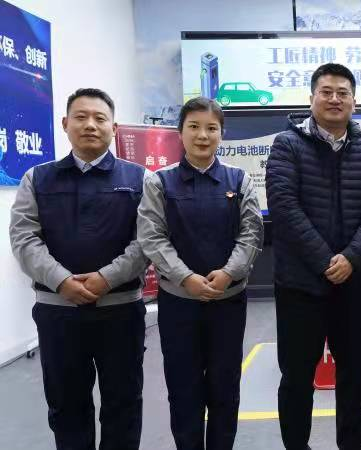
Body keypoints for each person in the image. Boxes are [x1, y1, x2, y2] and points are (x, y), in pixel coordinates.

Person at [9, 88, 148, 449]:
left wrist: (106, 278)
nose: (90, 125)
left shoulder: (140, 179)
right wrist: (61, 281)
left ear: (114, 128)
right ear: (65, 124)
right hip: (59, 314)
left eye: (100, 119)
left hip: (120, 313)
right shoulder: (38, 178)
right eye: (81, 117)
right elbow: (24, 239)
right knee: (67, 406)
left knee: (123, 404)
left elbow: (147, 241)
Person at [266, 62, 361, 450]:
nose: (335, 99)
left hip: (353, 285)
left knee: (354, 375)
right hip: (300, 286)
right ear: (311, 98)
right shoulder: (287, 145)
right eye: (326, 92)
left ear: (354, 101)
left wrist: (351, 257)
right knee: (297, 378)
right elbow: (284, 206)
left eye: (343, 93)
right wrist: (325, 260)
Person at [137, 97, 264, 450]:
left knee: (225, 387)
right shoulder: (160, 182)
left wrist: (229, 272)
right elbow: (152, 236)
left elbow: (251, 232)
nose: (203, 135)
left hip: (228, 302)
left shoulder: (238, 180)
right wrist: (186, 278)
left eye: (211, 128)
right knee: (183, 388)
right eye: (194, 127)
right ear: (180, 133)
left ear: (222, 134)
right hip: (179, 304)